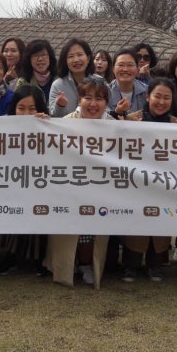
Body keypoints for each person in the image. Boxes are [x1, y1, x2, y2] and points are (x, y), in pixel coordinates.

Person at [44, 79, 111, 289]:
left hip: (101, 187)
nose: (93, 104)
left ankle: (88, 265)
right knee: (68, 228)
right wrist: (40, 123)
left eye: (99, 99)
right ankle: (64, 265)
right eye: (87, 98)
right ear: (79, 100)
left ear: (106, 102)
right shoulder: (66, 123)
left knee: (92, 229)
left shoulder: (116, 126)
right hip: (69, 186)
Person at [121, 78, 177, 282]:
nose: (161, 102)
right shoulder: (133, 119)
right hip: (136, 182)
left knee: (160, 226)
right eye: (157, 96)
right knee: (135, 226)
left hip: (164, 183)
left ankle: (155, 264)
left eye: (166, 98)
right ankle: (130, 265)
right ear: (147, 97)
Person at [0, 85, 51, 277]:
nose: (26, 113)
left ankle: (38, 259)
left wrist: (49, 125)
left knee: (38, 215)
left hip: (41, 185)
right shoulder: (2, 126)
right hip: (11, 183)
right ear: (13, 108)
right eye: (21, 108)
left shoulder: (51, 127)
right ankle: (9, 256)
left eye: (32, 109)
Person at [48, 38, 95, 117]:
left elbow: (107, 110)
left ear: (88, 58)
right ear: (65, 61)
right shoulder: (57, 85)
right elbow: (54, 118)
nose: (76, 60)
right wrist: (60, 106)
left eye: (80, 55)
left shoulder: (99, 82)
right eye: (71, 56)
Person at [108, 48, 147, 118]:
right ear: (113, 69)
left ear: (138, 68)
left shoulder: (148, 91)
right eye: (121, 65)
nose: (125, 69)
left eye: (130, 65)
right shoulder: (104, 92)